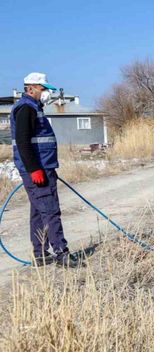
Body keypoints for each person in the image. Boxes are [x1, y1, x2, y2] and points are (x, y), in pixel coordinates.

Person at [10, 72, 80, 267]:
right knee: (50, 210)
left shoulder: (34, 108)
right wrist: (35, 169)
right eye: (43, 89)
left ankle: (41, 253)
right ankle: (61, 253)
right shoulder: (26, 108)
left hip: (44, 166)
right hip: (37, 169)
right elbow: (24, 142)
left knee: (38, 211)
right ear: (31, 88)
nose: (46, 93)